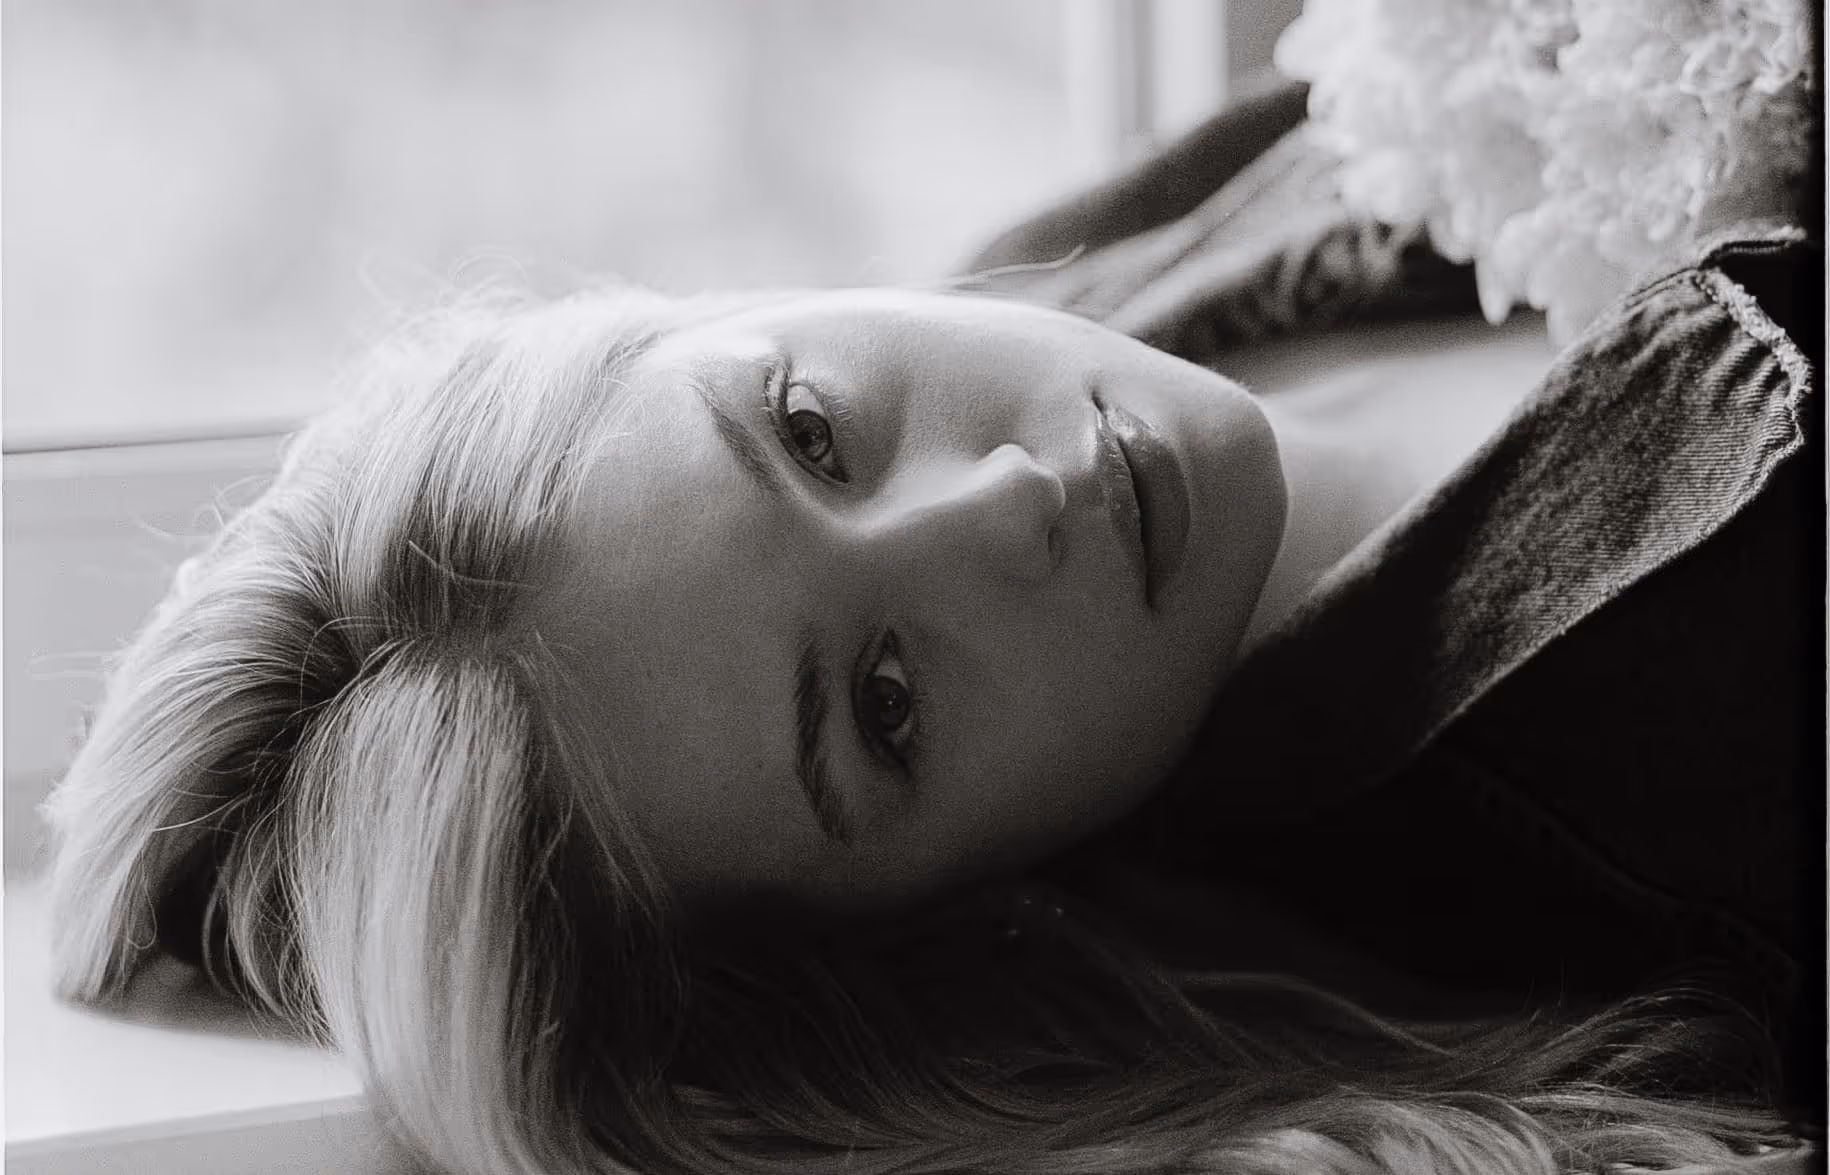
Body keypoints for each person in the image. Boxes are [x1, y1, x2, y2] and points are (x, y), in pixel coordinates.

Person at [40, 77, 1820, 1175]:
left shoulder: (1096, 258)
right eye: (883, 705)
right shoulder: (1698, 774)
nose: (1007, 501)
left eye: (807, 426)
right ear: (940, 911)